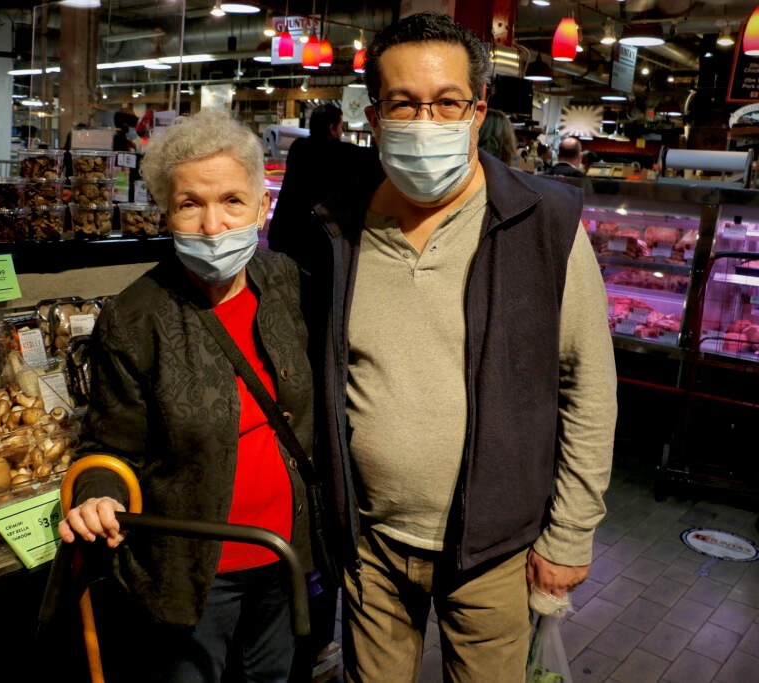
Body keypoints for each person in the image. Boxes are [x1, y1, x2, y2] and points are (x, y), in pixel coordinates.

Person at [297, 12, 617, 682]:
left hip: (494, 551)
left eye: (446, 102)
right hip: (372, 545)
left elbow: (588, 386)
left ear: (477, 111)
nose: (425, 120)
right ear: (375, 115)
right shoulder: (338, 227)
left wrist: (570, 532)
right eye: (403, 103)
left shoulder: (544, 225)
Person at [57, 109, 315, 682]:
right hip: (193, 566)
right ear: (166, 214)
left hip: (285, 555)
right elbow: (108, 444)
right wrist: (98, 495)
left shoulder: (286, 284)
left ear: (261, 206)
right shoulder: (134, 318)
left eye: (232, 201)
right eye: (189, 204)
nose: (213, 226)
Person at [267, 103, 383, 278]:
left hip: (285, 238)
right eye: (340, 126)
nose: (341, 132)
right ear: (332, 128)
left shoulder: (298, 148)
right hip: (316, 247)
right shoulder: (343, 154)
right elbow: (377, 162)